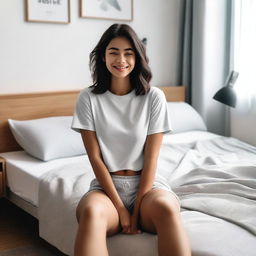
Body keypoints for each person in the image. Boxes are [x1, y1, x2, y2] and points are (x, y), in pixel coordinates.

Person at [71, 23, 191, 256]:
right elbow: (95, 159)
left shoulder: (153, 97)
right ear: (103, 57)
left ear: (138, 57)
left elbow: (151, 158)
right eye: (113, 52)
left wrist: (136, 211)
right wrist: (120, 209)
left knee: (167, 208)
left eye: (129, 53)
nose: (121, 59)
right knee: (92, 213)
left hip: (147, 188)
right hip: (106, 190)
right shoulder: (88, 98)